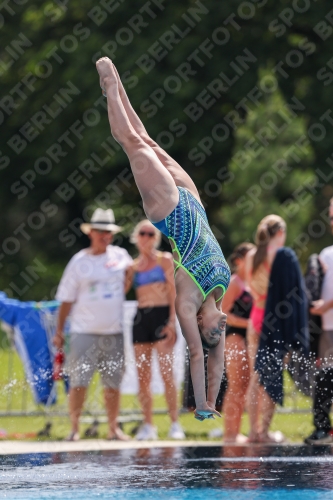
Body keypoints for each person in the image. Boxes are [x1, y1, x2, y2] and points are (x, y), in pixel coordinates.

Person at [96, 57, 230, 420]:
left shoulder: (188, 305)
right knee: (148, 140)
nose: (222, 327)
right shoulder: (219, 294)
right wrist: (216, 401)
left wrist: (202, 404)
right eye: (223, 330)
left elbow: (201, 357)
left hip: (169, 211)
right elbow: (218, 361)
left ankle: (108, 86)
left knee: (132, 143)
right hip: (193, 201)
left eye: (214, 332)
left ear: (200, 326)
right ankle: (119, 84)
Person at [53, 208, 133, 441]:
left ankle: (113, 428)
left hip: (113, 331)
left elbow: (129, 277)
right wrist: (59, 331)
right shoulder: (79, 261)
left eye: (108, 231)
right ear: (91, 233)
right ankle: (75, 428)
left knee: (113, 383)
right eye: (100, 231)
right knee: (79, 382)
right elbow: (66, 299)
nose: (104, 235)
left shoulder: (120, 256)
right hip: (82, 331)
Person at [128, 219, 185, 440]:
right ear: (136, 237)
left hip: (162, 316)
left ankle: (174, 422)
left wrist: (172, 321)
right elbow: (123, 289)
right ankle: (148, 424)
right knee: (143, 376)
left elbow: (173, 292)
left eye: (151, 234)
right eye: (143, 233)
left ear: (156, 238)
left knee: (166, 372)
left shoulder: (164, 260)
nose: (146, 238)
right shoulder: (133, 267)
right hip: (141, 317)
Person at [245, 215, 287, 442]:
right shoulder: (278, 256)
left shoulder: (252, 255)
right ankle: (265, 431)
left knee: (255, 376)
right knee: (271, 376)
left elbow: (252, 288)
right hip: (273, 319)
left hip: (256, 316)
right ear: (279, 232)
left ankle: (253, 431)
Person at [305, 198, 333, 444]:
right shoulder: (326, 253)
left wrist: (327, 305)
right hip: (327, 328)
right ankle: (323, 428)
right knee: (324, 379)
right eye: (331, 218)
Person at [222, 243, 254, 443]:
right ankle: (230, 434)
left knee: (247, 385)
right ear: (239, 261)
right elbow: (224, 313)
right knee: (236, 385)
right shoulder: (235, 282)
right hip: (235, 335)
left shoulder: (253, 282)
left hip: (250, 335)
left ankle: (239, 432)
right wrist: (249, 323)